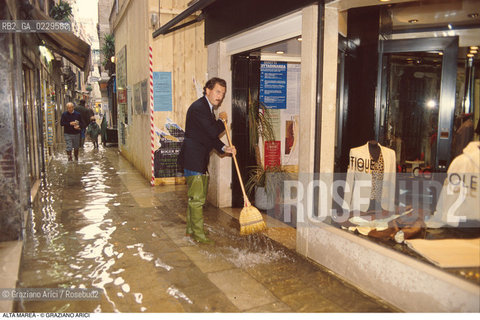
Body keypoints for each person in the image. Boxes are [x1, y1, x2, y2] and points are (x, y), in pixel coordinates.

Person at [177, 77, 236, 244]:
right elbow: (211, 131)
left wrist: (225, 148)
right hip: (193, 159)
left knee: (195, 198)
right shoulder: (199, 108)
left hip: (199, 160)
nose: (220, 96)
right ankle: (199, 234)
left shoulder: (206, 108)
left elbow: (208, 137)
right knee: (197, 200)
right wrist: (222, 120)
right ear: (208, 90)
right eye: (217, 92)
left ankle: (190, 230)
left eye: (223, 94)